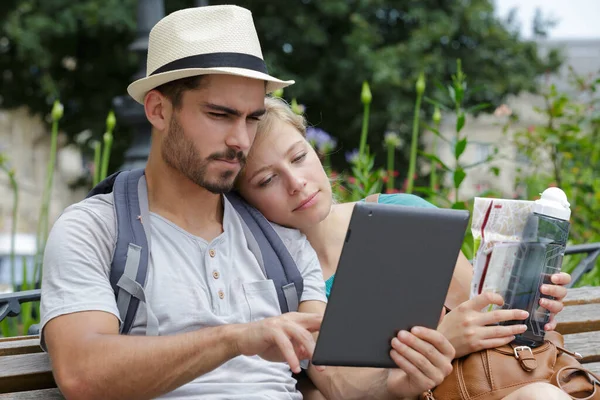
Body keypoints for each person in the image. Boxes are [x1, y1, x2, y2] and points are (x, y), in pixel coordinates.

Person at [40, 5, 456, 400]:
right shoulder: (95, 230)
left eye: (252, 118)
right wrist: (236, 337)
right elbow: (82, 374)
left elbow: (336, 381)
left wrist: (397, 385)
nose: (241, 140)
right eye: (220, 115)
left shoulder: (281, 242)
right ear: (158, 109)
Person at [236, 96, 573, 400]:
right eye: (267, 180)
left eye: (298, 157)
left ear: (314, 151)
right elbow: (341, 389)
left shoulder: (403, 213)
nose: (297, 183)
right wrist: (443, 341)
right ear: (242, 200)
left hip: (483, 385)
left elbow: (487, 314)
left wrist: (530, 304)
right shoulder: (276, 279)